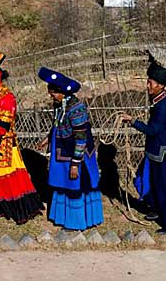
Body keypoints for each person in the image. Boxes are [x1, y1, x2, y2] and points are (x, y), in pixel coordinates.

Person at [0, 51, 43, 224]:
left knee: (7, 179)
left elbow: (3, 125)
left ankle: (16, 210)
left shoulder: (7, 98)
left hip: (4, 144)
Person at [120, 50, 166, 234]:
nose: (147, 86)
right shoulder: (157, 100)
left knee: (165, 188)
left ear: (160, 85)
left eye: (150, 83)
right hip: (155, 152)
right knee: (145, 180)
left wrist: (133, 121)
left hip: (163, 154)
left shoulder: (162, 106)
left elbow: (153, 130)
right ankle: (156, 208)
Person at [37, 67, 103, 231]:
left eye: (53, 93)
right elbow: (58, 124)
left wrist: (75, 164)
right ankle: (63, 217)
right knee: (63, 183)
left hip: (76, 155)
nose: (51, 96)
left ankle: (76, 222)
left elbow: (81, 139)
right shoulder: (60, 105)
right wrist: (48, 138)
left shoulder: (76, 109)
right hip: (63, 151)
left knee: (75, 184)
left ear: (62, 92)